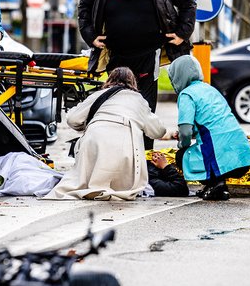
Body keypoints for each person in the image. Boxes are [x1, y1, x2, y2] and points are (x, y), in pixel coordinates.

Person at [77, 0, 196, 150]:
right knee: (118, 106)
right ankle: (120, 154)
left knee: (146, 109)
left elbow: (188, 1)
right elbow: (84, 6)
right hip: (117, 57)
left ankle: (145, 157)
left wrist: (182, 34)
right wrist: (90, 36)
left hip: (148, 56)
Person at [44, 67, 167, 201]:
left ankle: (91, 185)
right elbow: (158, 131)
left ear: (109, 79)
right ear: (133, 82)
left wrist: (89, 123)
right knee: (122, 184)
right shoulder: (138, 99)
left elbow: (72, 119)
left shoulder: (98, 94)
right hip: (125, 143)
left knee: (84, 176)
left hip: (95, 137)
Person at [167, 55, 250, 201]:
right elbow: (213, 123)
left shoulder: (186, 95)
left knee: (181, 156)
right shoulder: (210, 89)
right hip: (240, 155)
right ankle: (217, 186)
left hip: (217, 153)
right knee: (206, 147)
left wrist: (183, 144)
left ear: (179, 75)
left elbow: (185, 131)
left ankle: (216, 184)